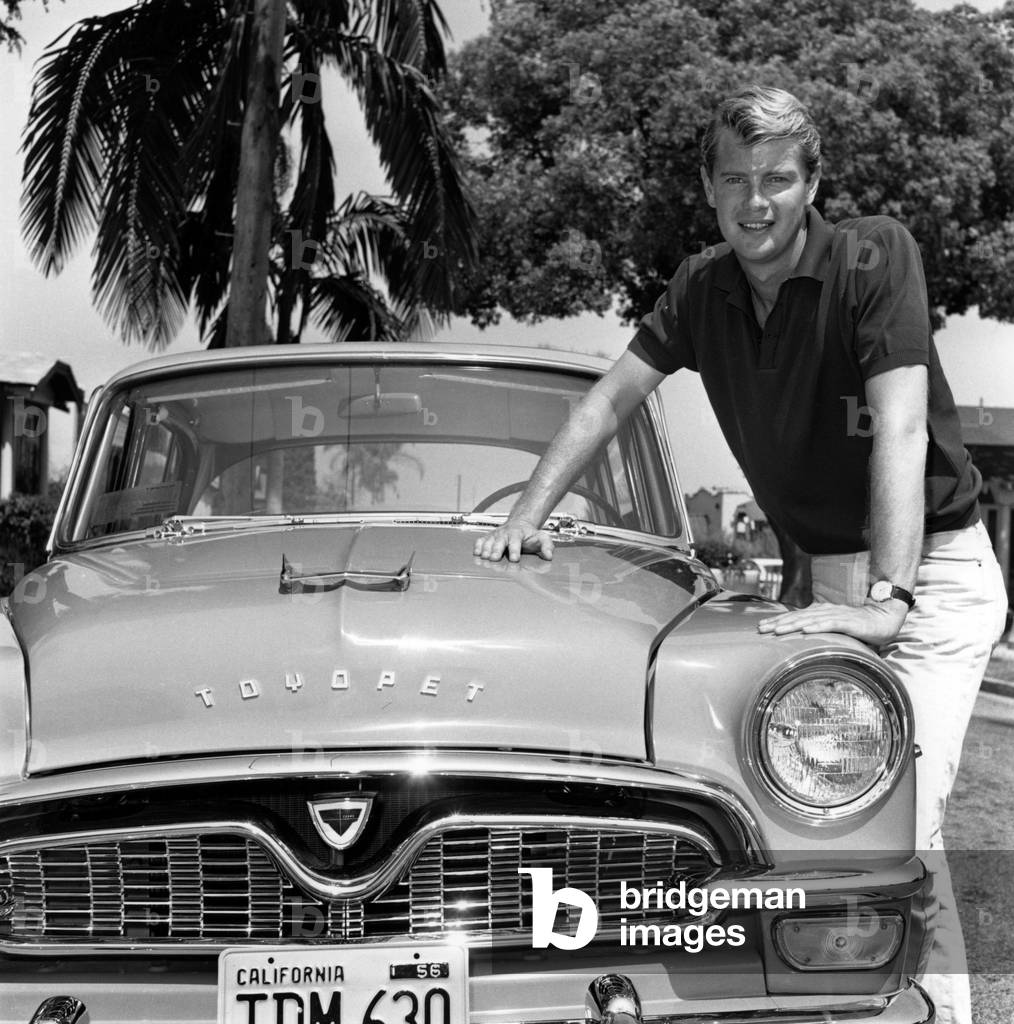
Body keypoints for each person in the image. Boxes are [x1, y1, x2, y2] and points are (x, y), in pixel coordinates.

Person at [474, 85, 1008, 1024]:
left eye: (776, 180)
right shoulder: (700, 287)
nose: (754, 202)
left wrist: (888, 595)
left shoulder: (876, 254)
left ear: (812, 184)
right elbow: (611, 399)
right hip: (822, 577)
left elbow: (901, 426)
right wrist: (527, 511)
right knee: (793, 830)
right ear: (709, 189)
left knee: (896, 827)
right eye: (734, 181)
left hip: (932, 570)